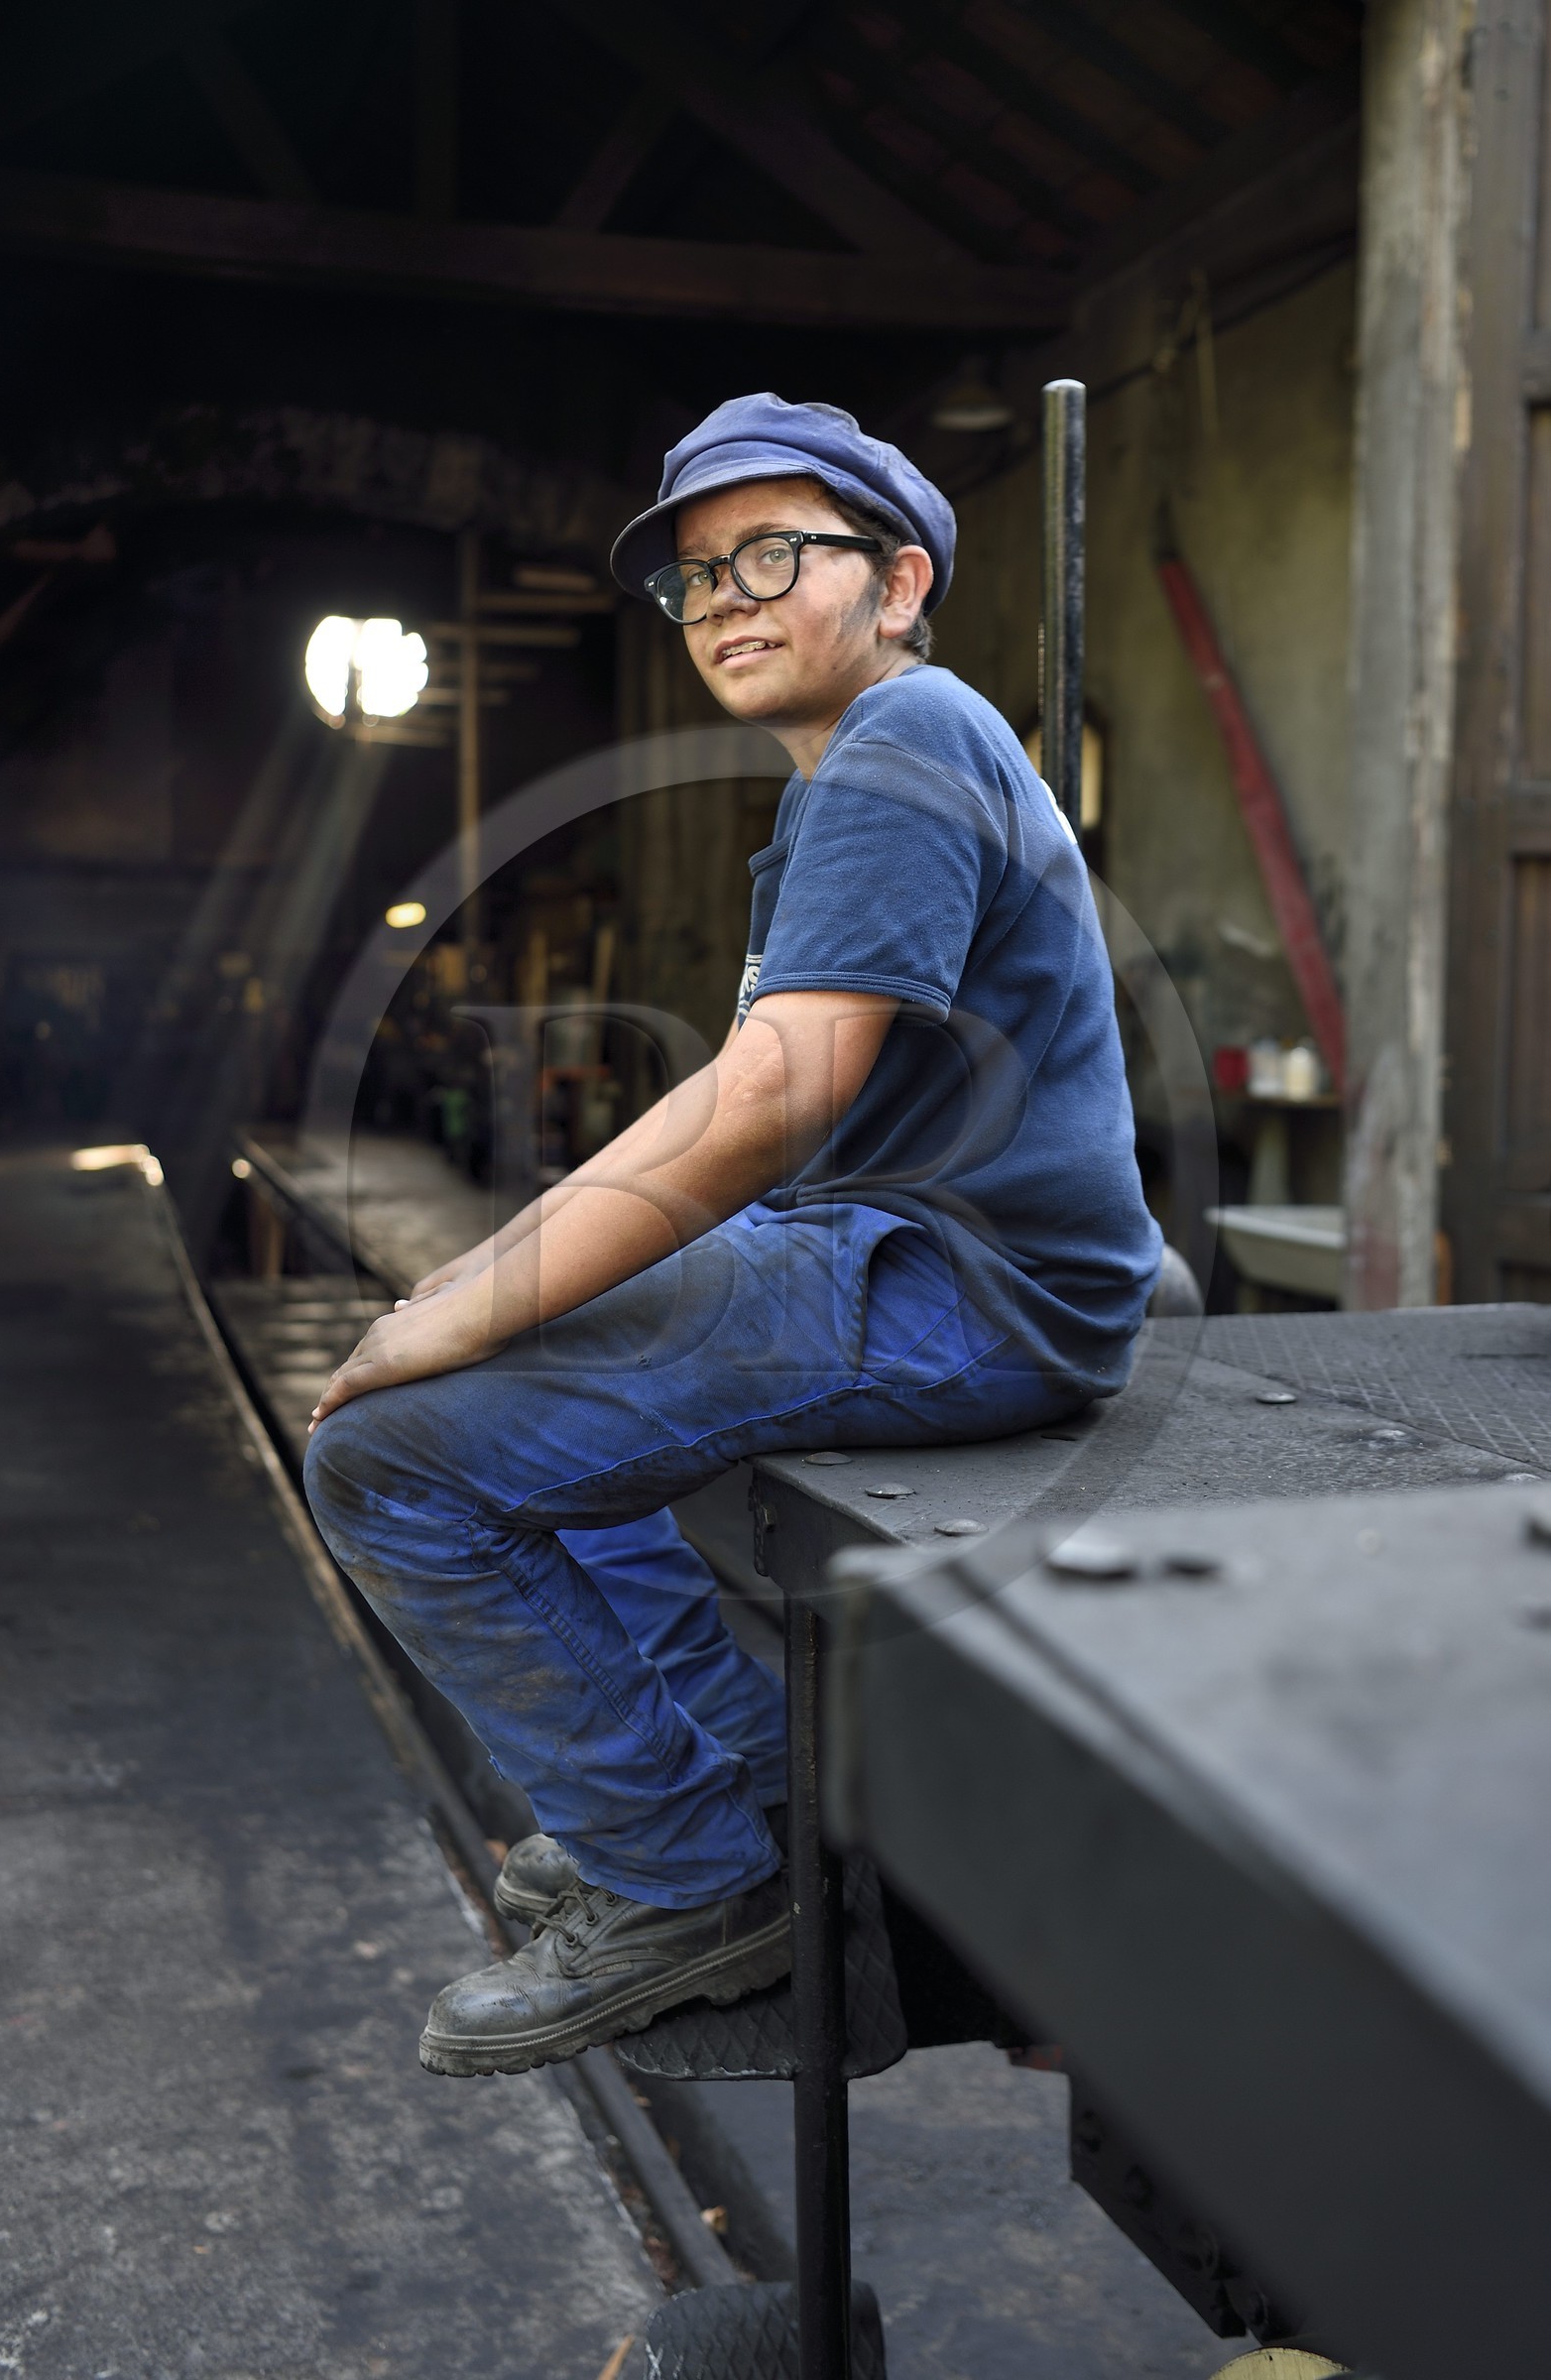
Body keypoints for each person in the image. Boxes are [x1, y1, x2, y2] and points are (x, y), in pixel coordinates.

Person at [303, 394, 1161, 2078]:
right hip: (914, 1261)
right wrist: (503, 1282)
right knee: (553, 1400)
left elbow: (774, 1094)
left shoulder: (907, 738)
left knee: (388, 1463)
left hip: (962, 1287)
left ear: (898, 583)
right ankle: (733, 1803)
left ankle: (687, 1881)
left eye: (772, 554)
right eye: (696, 576)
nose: (723, 601)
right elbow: (772, 1102)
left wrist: (471, 1303)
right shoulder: (855, 775)